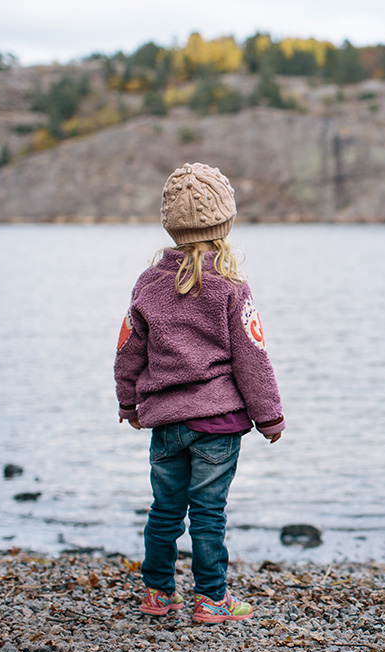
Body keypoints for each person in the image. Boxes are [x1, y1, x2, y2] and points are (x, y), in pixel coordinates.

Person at [115, 163, 285, 624]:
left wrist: (127, 402)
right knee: (209, 514)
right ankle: (211, 600)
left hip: (166, 422)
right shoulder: (231, 286)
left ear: (172, 227)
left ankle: (158, 594)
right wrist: (269, 416)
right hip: (217, 424)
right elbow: (253, 357)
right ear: (223, 224)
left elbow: (129, 350)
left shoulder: (148, 284)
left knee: (165, 511)